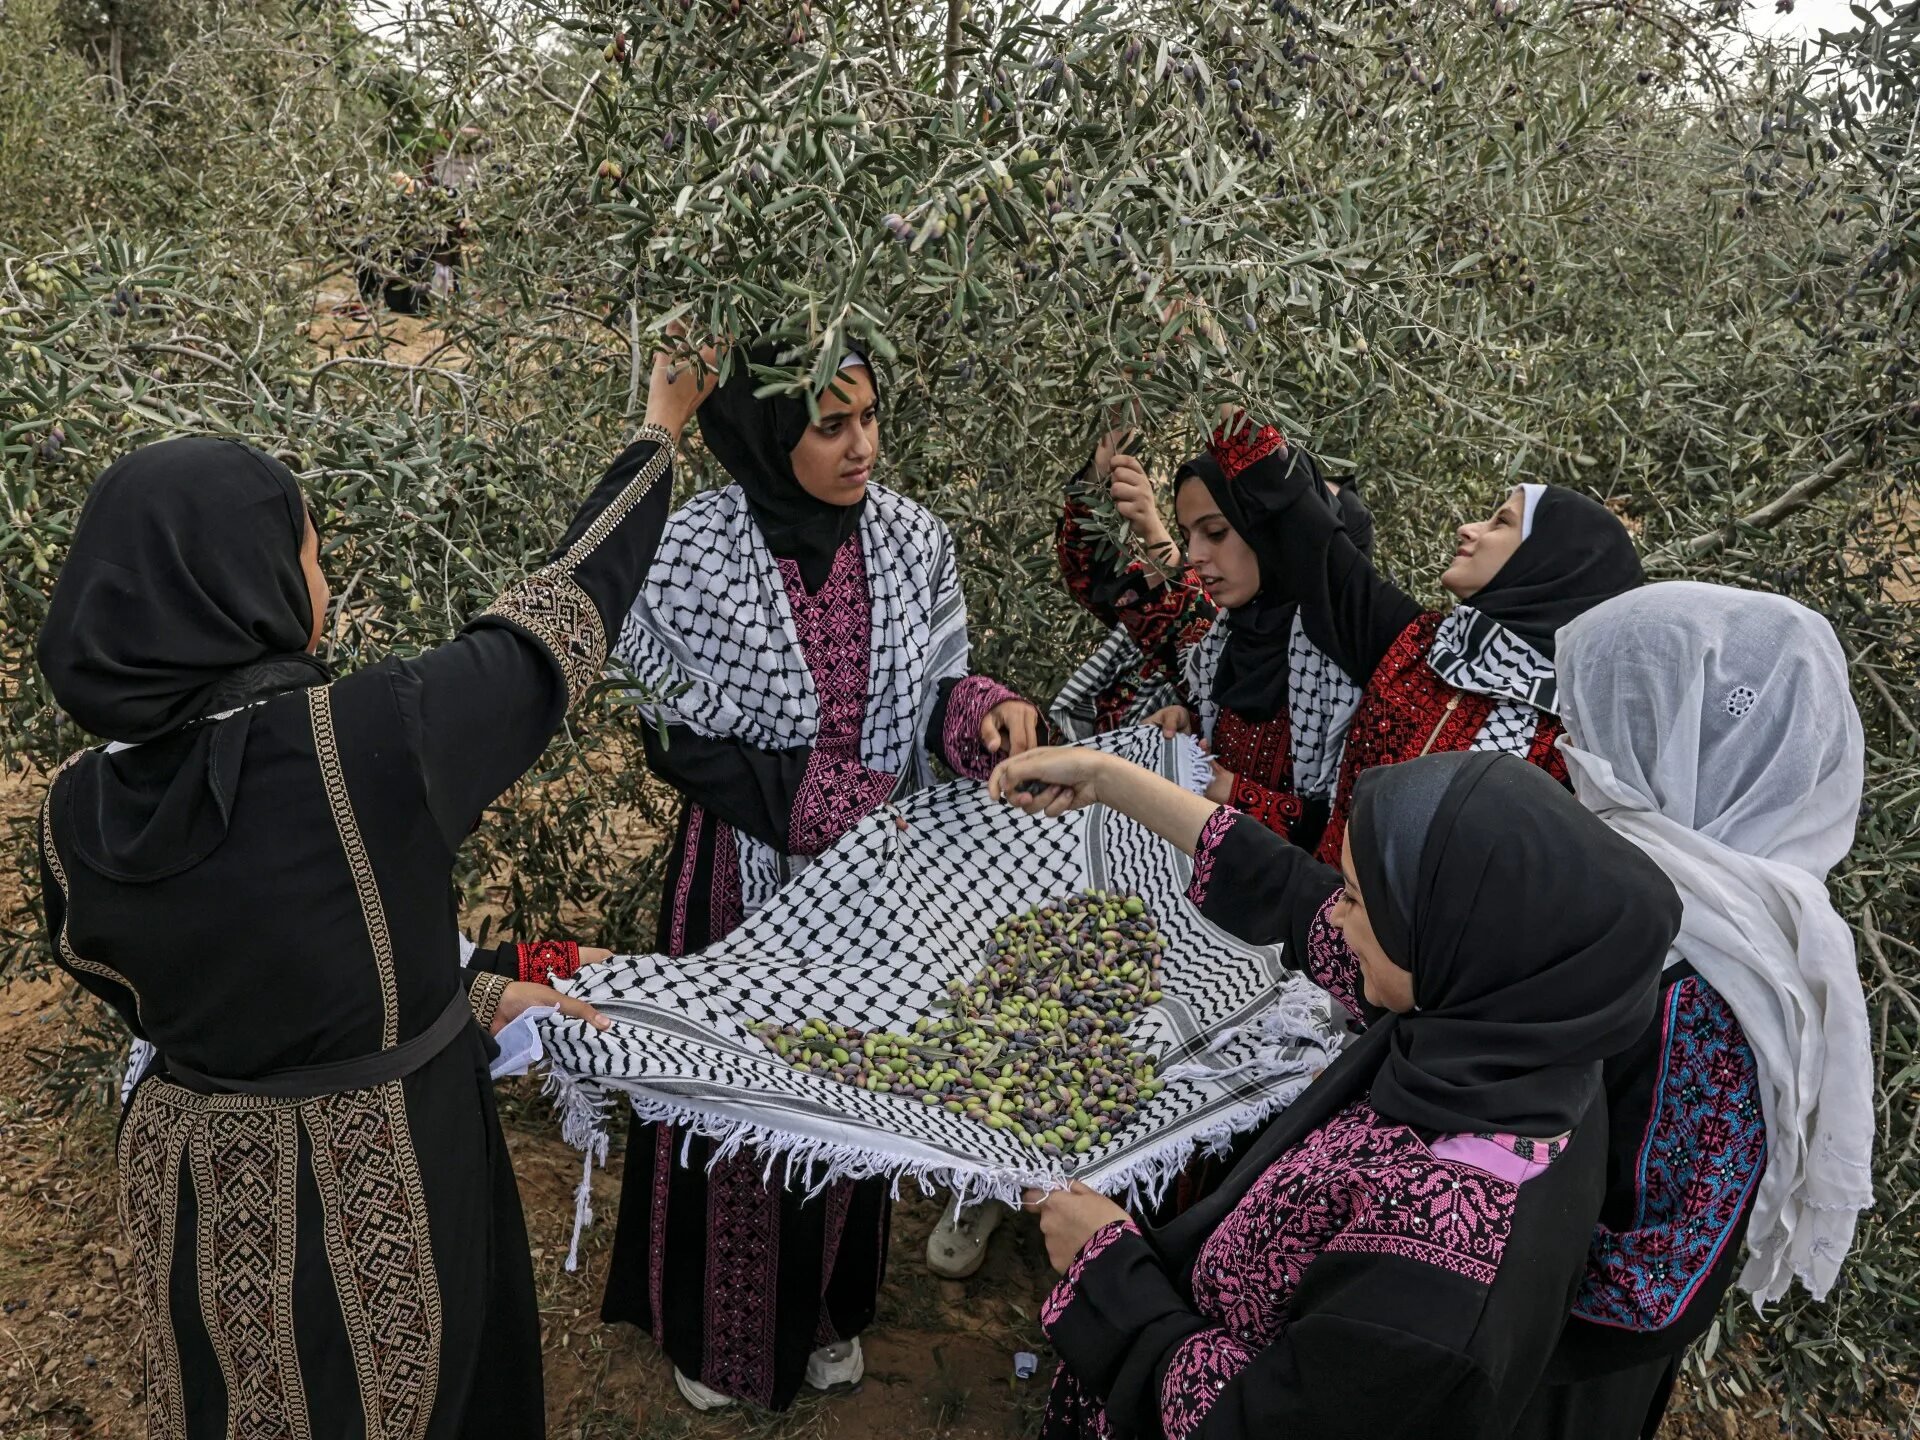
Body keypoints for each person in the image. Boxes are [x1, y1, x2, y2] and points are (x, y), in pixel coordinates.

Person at [31, 340, 713, 1438]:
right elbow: (560, 624)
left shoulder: (70, 815)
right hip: (383, 1172)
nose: (324, 581)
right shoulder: (366, 742)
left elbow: (210, 982)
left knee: (226, 1405)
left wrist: (465, 1000)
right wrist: (661, 428)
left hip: (195, 1188)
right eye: (308, 552)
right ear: (245, 580)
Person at [984, 742, 1680, 1440]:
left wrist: (1105, 1266)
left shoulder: (1438, 1273)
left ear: (1444, 935)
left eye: (1356, 897)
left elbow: (1248, 1422)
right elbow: (1289, 891)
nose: (1338, 919)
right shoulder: (1508, 1033)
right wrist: (1108, 780)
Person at [598, 341, 1042, 1412]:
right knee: (734, 1100)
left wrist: (984, 713)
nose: (864, 447)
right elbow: (672, 735)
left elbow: (940, 682)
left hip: (871, 891)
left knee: (845, 1096)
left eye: (872, 419)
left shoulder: (911, 538)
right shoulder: (696, 548)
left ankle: (831, 1316)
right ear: (765, 433)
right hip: (738, 883)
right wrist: (833, 807)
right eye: (832, 426)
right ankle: (716, 1337)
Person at [1511, 582, 1873, 1440]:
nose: (1571, 746)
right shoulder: (1625, 901)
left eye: (1607, 722)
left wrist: (1442, 1317)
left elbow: (1653, 1280)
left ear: (1679, 744)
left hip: (1538, 1380)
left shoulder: (1718, 977)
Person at [1207, 413, 1644, 863]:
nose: (1468, 529)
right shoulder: (1419, 647)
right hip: (1316, 920)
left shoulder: (1574, 741)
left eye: (1500, 523)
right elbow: (1312, 541)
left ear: (1552, 562)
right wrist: (1227, 406)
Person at [1053, 430, 1376, 855]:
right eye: (1189, 536)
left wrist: (1229, 791)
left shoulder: (1357, 674)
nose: (1194, 555)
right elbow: (1101, 580)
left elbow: (1354, 840)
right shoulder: (1218, 646)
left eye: (1217, 532)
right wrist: (1184, 733)